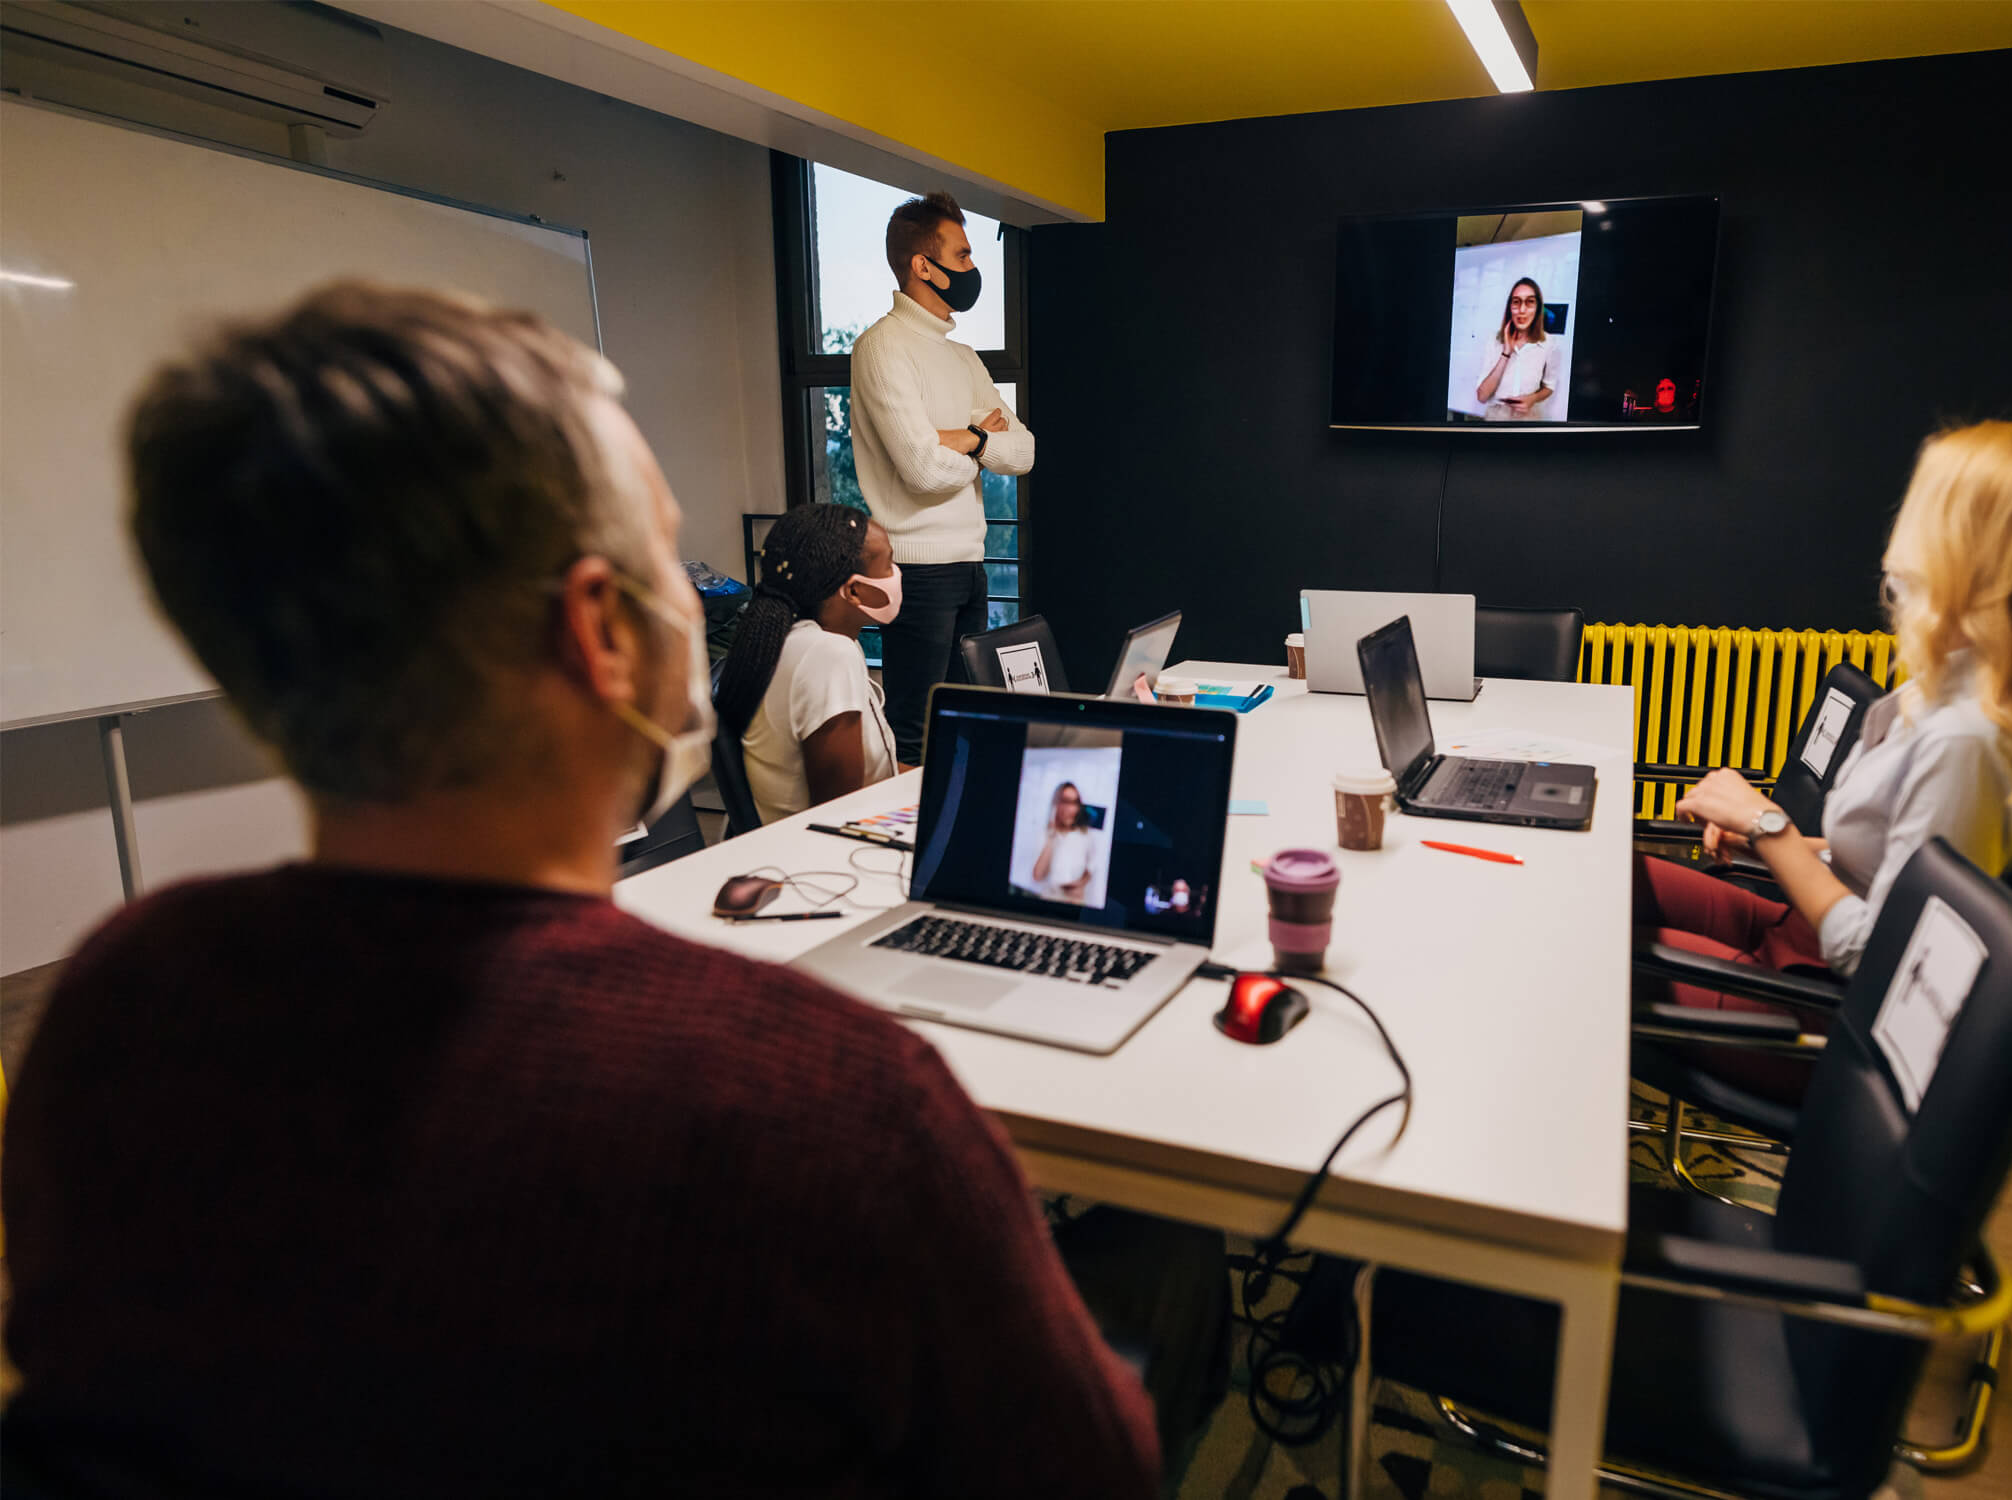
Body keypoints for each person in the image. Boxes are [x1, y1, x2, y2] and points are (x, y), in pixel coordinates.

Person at [0, 282, 1161, 1499]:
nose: (704, 600)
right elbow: (1086, 1464)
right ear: (599, 634)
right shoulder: (831, 1100)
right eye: (667, 558)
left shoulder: (118, 1009)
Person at [1641, 420, 2012, 1074]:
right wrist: (1779, 842)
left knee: (1583, 952)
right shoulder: (1964, 695)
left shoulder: (1968, 743)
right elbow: (1896, 863)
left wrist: (1767, 826)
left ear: (1969, 543)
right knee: (1612, 884)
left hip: (1822, 1013)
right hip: (1799, 941)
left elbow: (1881, 955)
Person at [849, 189, 1035, 765]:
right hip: (917, 570)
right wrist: (982, 437)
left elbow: (1024, 451)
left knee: (962, 725)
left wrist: (967, 438)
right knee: (916, 732)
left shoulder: (962, 357)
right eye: (962, 256)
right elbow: (922, 469)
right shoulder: (881, 348)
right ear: (921, 266)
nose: (973, 269)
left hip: (970, 563)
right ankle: (907, 847)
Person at [714, 503, 900, 823]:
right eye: (890, 563)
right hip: (823, 858)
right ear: (854, 590)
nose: (897, 573)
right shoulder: (827, 656)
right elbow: (840, 814)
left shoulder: (789, 639)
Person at [1473, 275, 1561, 421]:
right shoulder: (1493, 341)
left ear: (1538, 308)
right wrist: (1506, 353)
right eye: (1516, 302)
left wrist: (1533, 398)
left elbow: (1549, 386)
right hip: (1496, 419)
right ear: (1510, 308)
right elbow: (1482, 396)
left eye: (1530, 302)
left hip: (1529, 419)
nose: (1522, 309)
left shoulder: (1549, 343)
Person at [1032, 780, 1105, 903]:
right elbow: (1038, 876)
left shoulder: (1086, 835)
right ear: (1056, 804)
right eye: (1065, 801)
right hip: (1050, 901)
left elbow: (1091, 867)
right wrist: (1051, 837)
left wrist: (1080, 884)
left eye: (1074, 802)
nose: (1070, 809)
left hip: (1076, 902)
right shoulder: (1045, 834)